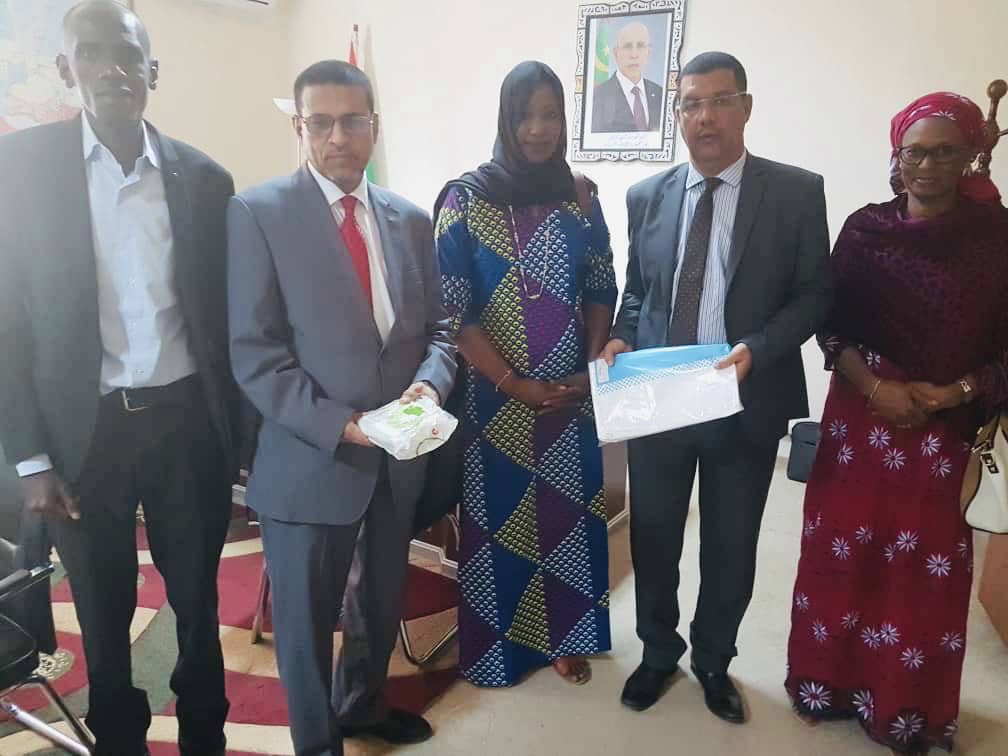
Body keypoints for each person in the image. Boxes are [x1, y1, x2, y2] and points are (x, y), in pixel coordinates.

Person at [0, 2, 241, 754]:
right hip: (84, 437)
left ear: (152, 71)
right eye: (92, 53)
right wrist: (29, 459)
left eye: (128, 55)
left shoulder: (206, 179)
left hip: (185, 426)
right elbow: (6, 326)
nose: (112, 69)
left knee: (197, 603)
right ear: (66, 68)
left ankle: (205, 737)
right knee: (103, 613)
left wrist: (238, 436)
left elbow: (223, 321)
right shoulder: (19, 170)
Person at [227, 60, 455, 756]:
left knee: (379, 600)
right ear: (299, 128)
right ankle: (318, 742)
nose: (337, 137)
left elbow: (440, 331)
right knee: (304, 623)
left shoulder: (409, 219)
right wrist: (342, 425)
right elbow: (256, 355)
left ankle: (362, 705)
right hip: (310, 455)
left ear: (373, 126)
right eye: (320, 122)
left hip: (397, 456)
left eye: (352, 121)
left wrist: (430, 386)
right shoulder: (259, 214)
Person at [600, 50, 832, 721]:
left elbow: (816, 295)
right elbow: (638, 290)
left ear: (745, 108)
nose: (705, 117)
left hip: (743, 398)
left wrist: (758, 348)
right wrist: (621, 335)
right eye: (691, 104)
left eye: (720, 101)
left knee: (730, 545)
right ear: (677, 114)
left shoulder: (794, 192)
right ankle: (657, 652)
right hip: (659, 396)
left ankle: (712, 659)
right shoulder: (647, 196)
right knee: (654, 538)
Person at [785, 92, 1008, 755]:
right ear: (896, 156)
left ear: (969, 156)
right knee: (840, 558)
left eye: (945, 152)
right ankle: (826, 688)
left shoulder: (997, 237)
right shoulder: (866, 229)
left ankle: (907, 711)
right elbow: (830, 322)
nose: (928, 166)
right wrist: (875, 386)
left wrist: (958, 391)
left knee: (922, 574)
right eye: (916, 152)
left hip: (944, 434)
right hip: (860, 423)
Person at [435, 60, 617, 688]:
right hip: (497, 399)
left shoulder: (579, 195)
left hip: (569, 395)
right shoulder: (464, 201)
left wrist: (588, 368)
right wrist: (514, 383)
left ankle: (564, 638)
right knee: (502, 523)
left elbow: (600, 284)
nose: (538, 129)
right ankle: (501, 648)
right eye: (525, 116)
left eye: (551, 115)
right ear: (505, 120)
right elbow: (454, 315)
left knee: (566, 517)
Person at [591, 21, 663, 133]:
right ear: (616, 53)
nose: (634, 54)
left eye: (640, 46)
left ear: (648, 53)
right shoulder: (598, 96)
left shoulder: (660, 94)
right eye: (627, 46)